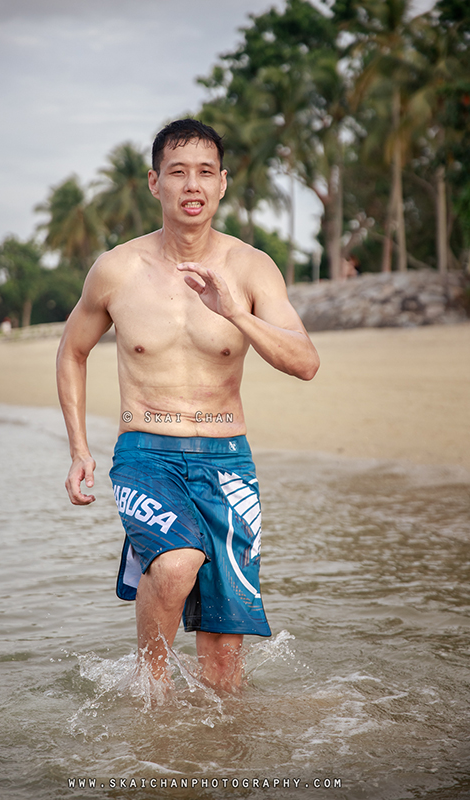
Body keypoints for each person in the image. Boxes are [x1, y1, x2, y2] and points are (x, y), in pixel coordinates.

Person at [56, 118, 320, 692]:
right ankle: (153, 692)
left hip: (228, 458)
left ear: (223, 183)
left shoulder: (251, 267)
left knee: (224, 664)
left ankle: (215, 763)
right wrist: (78, 448)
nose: (192, 185)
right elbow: (71, 351)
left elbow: (305, 361)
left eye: (205, 172)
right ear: (155, 183)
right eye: (178, 172)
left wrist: (235, 313)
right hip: (145, 449)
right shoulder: (117, 269)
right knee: (175, 564)